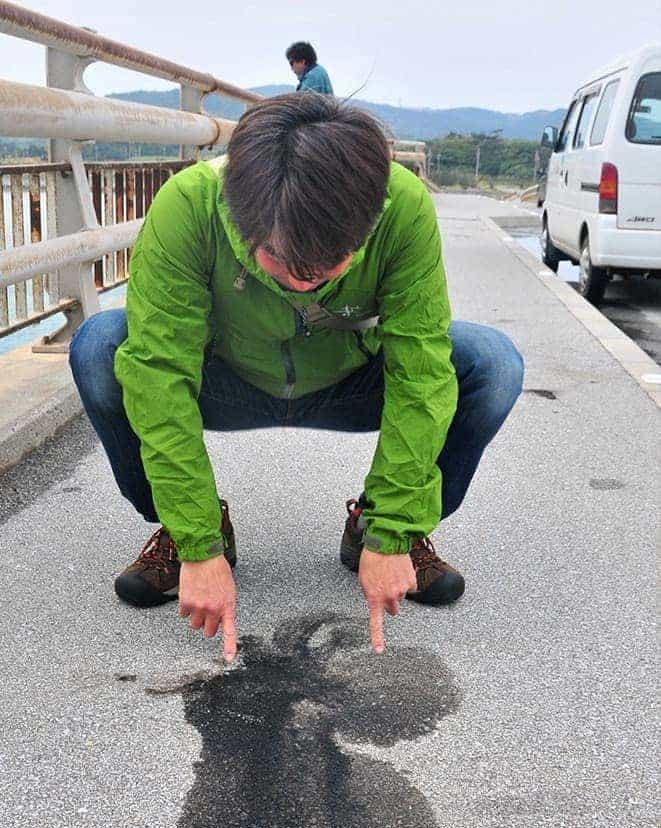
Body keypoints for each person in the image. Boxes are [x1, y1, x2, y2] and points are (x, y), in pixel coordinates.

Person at [69, 93, 523, 662]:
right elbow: (160, 375)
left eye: (330, 265)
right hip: (230, 379)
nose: (304, 282)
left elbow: (421, 373)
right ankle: (188, 532)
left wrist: (391, 532)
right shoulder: (188, 207)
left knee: (491, 362)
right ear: (243, 215)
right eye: (282, 262)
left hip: (348, 379)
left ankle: (378, 529)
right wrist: (199, 543)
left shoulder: (401, 207)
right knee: (100, 347)